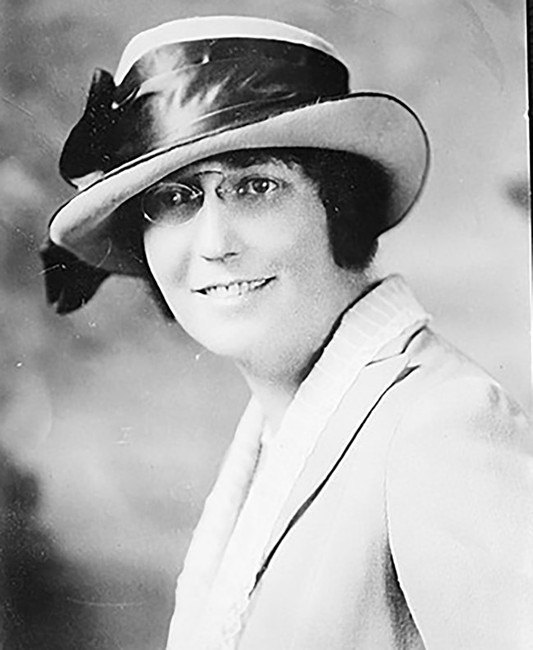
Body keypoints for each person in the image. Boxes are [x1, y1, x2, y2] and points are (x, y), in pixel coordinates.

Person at [41, 15, 533, 650]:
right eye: (174, 199)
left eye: (256, 186)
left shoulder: (441, 424)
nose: (215, 244)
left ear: (340, 206)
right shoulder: (279, 430)